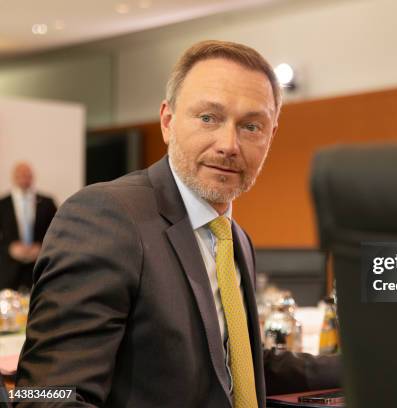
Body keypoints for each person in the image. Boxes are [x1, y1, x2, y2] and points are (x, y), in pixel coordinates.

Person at [15, 40, 340, 407]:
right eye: (208, 118)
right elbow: (43, 395)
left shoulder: (235, 239)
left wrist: (365, 367)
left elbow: (237, 366)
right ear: (168, 122)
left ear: (270, 137)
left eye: (251, 126)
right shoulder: (105, 216)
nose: (229, 144)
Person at [0, 162, 56, 290]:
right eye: (20, 175)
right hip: (9, 271)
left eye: (27, 174)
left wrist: (41, 247)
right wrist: (9, 248)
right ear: (14, 177)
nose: (24, 178)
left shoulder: (47, 203)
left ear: (32, 177)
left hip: (39, 268)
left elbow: (56, 232)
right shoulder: (3, 204)